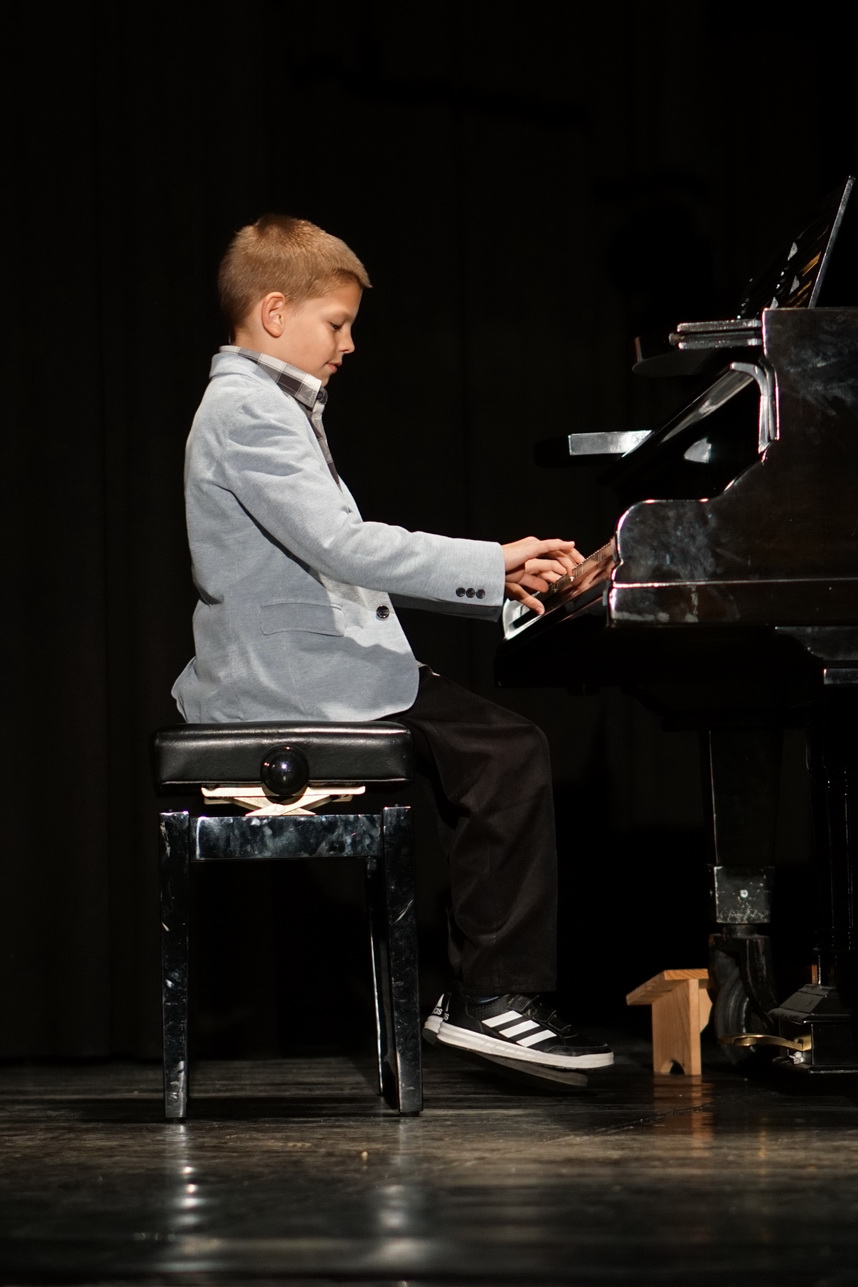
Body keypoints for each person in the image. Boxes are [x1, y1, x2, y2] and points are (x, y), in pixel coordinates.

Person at [172, 213, 613, 1075]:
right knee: (507, 753)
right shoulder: (248, 410)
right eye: (336, 324)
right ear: (274, 312)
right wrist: (491, 560)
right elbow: (345, 546)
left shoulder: (268, 404)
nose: (349, 344)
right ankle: (493, 998)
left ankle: (482, 990)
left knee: (494, 749)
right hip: (282, 680)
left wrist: (497, 583)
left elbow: (335, 559)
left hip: (305, 665)